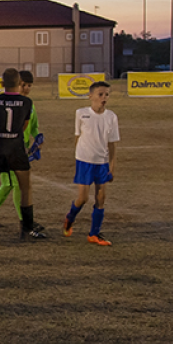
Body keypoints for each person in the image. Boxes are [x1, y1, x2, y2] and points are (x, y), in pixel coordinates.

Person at [0, 68, 46, 241]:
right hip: (16, 148)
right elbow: (25, 126)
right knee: (25, 187)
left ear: (2, 83)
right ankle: (25, 230)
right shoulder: (27, 103)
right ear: (19, 83)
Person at [64, 81, 119, 246]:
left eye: (107, 94)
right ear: (90, 96)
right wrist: (79, 156)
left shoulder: (111, 117)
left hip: (102, 162)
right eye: (100, 94)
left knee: (101, 198)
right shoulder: (81, 113)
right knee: (83, 198)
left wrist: (112, 167)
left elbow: (112, 144)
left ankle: (94, 234)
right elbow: (77, 136)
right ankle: (70, 217)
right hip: (85, 161)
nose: (104, 98)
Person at [0, 70, 43, 229]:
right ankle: (24, 221)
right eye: (23, 84)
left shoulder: (29, 105)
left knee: (10, 184)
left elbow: (34, 127)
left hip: (21, 149)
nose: (26, 88)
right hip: (8, 149)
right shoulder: (9, 102)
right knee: (16, 185)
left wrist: (38, 137)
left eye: (29, 85)